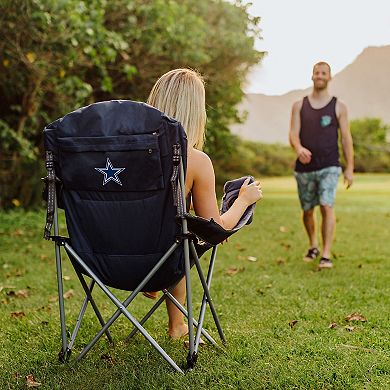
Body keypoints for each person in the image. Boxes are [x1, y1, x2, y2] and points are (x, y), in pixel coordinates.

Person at [146, 68, 263, 338]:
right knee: (181, 241)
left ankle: (176, 324)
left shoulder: (122, 157)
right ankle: (176, 325)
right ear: (196, 111)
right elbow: (215, 230)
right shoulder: (195, 160)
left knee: (176, 233)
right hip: (159, 262)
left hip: (104, 260)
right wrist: (243, 200)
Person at [289, 61, 354, 269]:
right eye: (316, 72)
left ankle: (326, 254)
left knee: (326, 205)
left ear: (329, 77)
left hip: (330, 165)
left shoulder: (339, 106)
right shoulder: (299, 105)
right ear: (312, 76)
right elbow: (293, 133)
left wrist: (349, 167)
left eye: (323, 73)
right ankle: (313, 245)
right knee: (308, 211)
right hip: (304, 169)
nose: (319, 75)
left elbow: (345, 138)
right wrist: (298, 148)